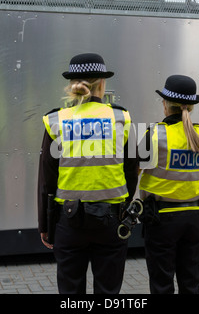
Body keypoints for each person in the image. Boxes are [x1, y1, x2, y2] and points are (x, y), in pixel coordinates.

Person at [37, 53, 139, 294]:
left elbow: (47, 179)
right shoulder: (120, 118)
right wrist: (122, 207)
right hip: (112, 221)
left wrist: (45, 224)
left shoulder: (57, 120)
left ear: (72, 84)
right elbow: (131, 171)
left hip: (68, 222)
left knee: (71, 292)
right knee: (108, 292)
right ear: (102, 84)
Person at [138, 75, 199, 294]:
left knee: (162, 283)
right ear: (190, 107)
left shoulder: (153, 136)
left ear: (165, 105)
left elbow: (132, 174)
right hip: (193, 218)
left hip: (160, 219)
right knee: (190, 282)